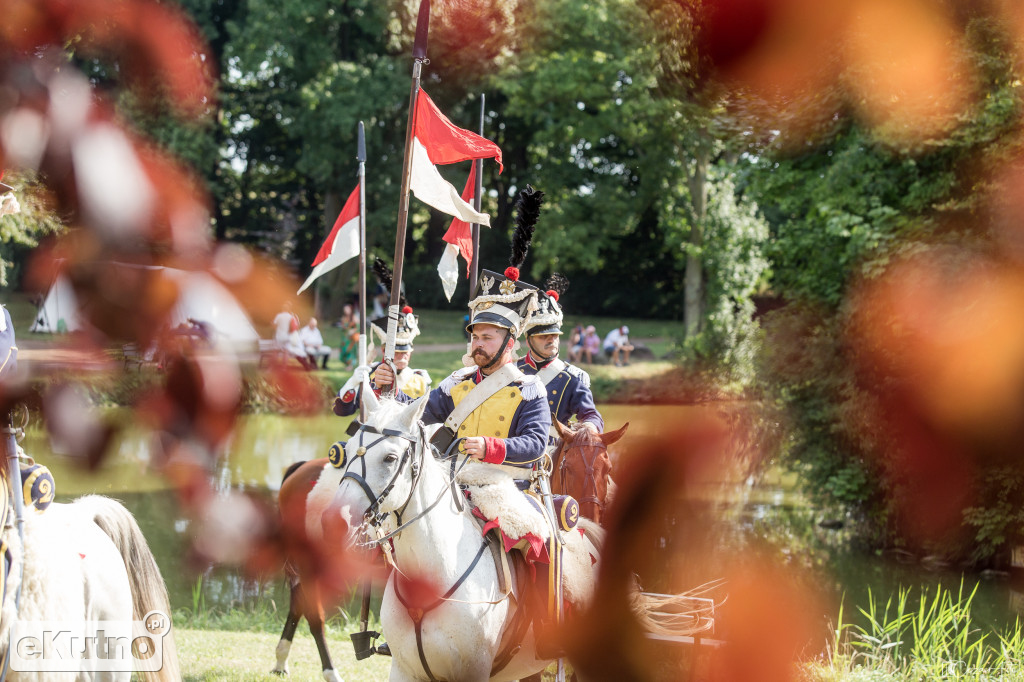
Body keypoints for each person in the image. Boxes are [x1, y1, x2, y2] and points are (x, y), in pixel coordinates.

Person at [518, 274, 603, 440]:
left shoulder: (573, 377)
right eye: (543, 336)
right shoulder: (511, 371)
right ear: (528, 341)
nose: (551, 339)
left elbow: (591, 415)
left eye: (554, 335)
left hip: (551, 456)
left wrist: (588, 426)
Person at [333, 306, 431, 417]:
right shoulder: (370, 373)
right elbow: (341, 410)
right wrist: (352, 382)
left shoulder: (421, 379)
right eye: (397, 352)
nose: (402, 356)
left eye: (405, 352)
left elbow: (426, 417)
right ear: (384, 351)